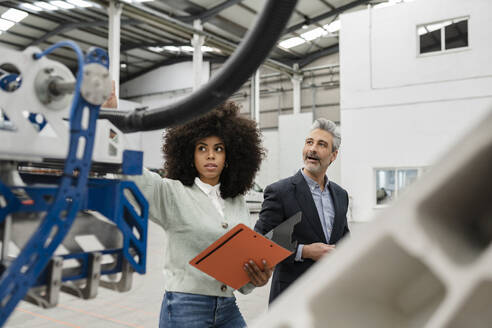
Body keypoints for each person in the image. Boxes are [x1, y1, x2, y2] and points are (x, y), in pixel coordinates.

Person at [130, 102, 272, 327]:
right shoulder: (171, 192)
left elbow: (242, 272)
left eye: (218, 148)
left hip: (227, 305)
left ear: (230, 155)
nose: (210, 156)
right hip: (185, 307)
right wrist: (111, 121)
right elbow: (131, 174)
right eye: (202, 148)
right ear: (189, 153)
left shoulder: (235, 201)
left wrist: (257, 278)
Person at [254, 118, 350, 304]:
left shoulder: (340, 195)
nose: (312, 149)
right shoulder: (280, 192)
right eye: (309, 142)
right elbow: (260, 241)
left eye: (321, 144)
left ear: (333, 155)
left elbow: (344, 238)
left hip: (331, 294)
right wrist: (304, 251)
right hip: (291, 296)